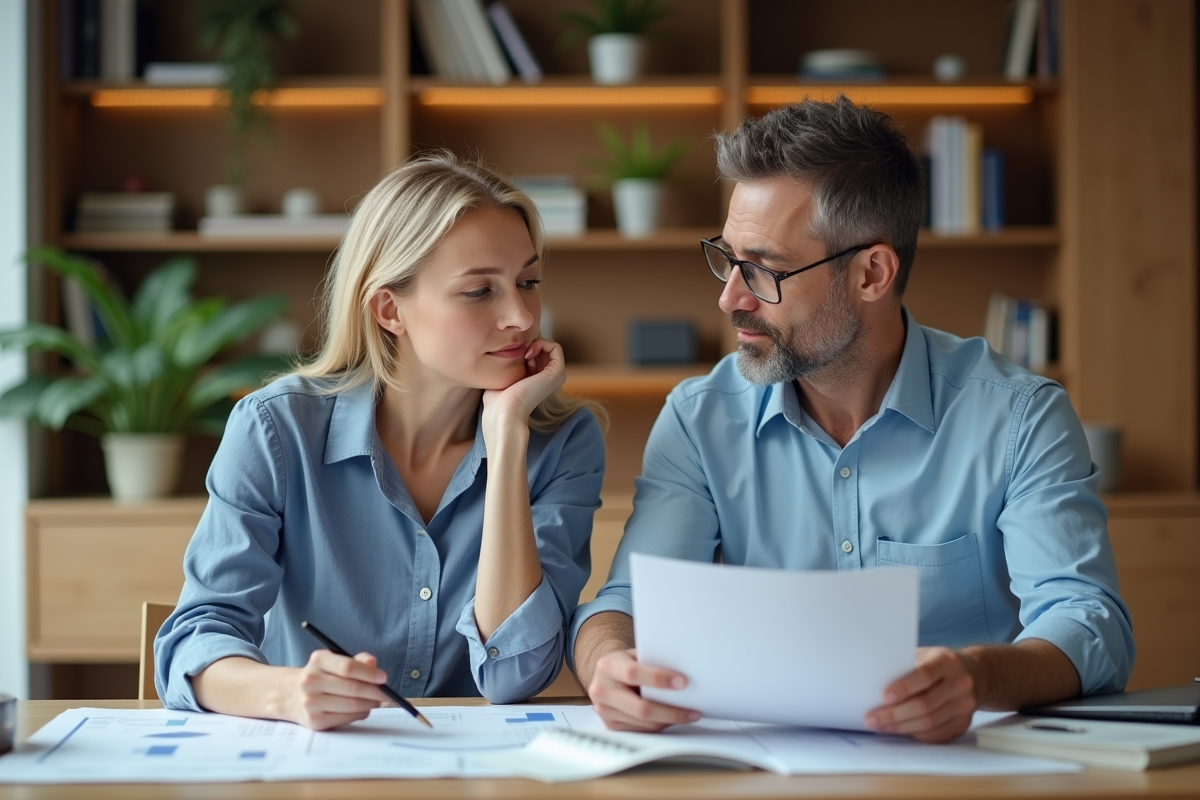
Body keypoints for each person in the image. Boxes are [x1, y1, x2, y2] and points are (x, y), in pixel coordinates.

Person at [569, 97, 1134, 744]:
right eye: (727, 258)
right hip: (763, 770)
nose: (730, 297)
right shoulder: (700, 419)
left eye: (764, 269)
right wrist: (608, 664)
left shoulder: (1020, 417)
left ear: (872, 273)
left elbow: (1089, 623)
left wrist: (976, 677)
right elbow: (623, 606)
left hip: (965, 768)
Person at [156, 150, 606, 730]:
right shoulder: (276, 429)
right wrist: (287, 694)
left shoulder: (563, 441)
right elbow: (194, 640)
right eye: (479, 291)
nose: (520, 315)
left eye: (528, 282)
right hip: (311, 760)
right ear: (390, 308)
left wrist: (507, 438)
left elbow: (515, 673)